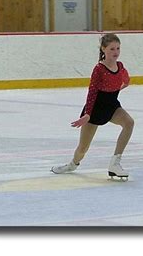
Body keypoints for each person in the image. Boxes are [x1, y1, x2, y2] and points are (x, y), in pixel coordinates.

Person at [51, 33, 134, 180]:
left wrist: (118, 87)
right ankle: (73, 164)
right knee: (83, 148)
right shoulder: (99, 69)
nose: (116, 52)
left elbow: (126, 81)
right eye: (112, 49)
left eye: (118, 48)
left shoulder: (120, 67)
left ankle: (115, 163)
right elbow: (92, 92)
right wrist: (87, 114)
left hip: (112, 106)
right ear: (103, 49)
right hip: (95, 109)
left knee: (129, 123)